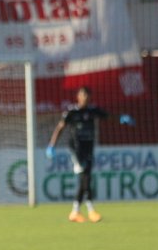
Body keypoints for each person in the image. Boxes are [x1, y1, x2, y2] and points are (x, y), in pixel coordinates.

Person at [45, 86, 134, 223]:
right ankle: (91, 210)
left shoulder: (92, 111)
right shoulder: (72, 112)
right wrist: (52, 145)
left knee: (85, 179)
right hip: (76, 149)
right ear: (78, 97)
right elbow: (60, 128)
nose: (85, 98)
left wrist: (121, 118)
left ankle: (75, 212)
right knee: (86, 177)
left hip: (88, 149)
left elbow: (108, 116)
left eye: (87, 95)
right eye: (82, 95)